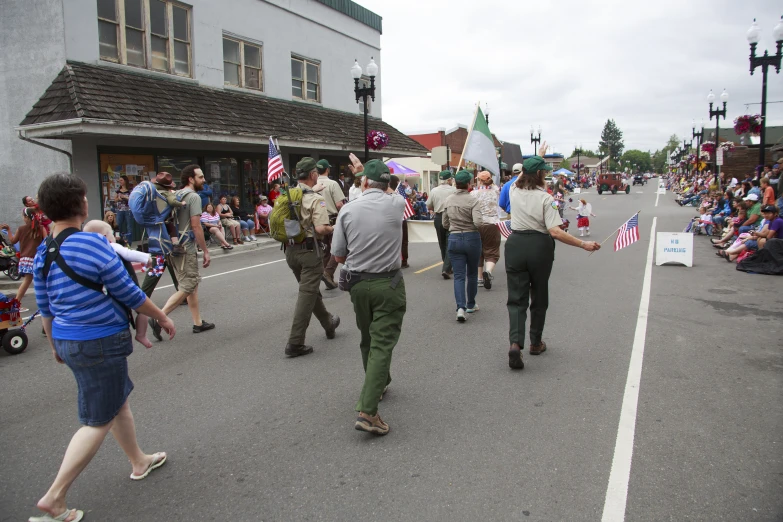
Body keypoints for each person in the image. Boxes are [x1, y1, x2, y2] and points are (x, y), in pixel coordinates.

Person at [29, 173, 175, 522]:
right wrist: (163, 318)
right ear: (81, 203)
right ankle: (55, 497)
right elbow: (129, 293)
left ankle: (138, 460)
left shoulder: (42, 252)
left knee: (115, 402)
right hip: (98, 340)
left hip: (68, 338)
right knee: (98, 419)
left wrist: (54, 345)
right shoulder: (92, 244)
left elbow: (45, 308)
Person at [332, 158, 406, 436]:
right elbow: (391, 192)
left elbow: (338, 254)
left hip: (359, 284)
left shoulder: (348, 210)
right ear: (387, 184)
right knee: (382, 342)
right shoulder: (396, 203)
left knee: (368, 337)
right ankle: (368, 410)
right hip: (388, 283)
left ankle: (380, 381)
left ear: (363, 183)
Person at [505, 156, 600, 371]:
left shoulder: (513, 191)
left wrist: (534, 158)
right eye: (543, 172)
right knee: (539, 295)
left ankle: (515, 343)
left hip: (516, 243)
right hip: (539, 246)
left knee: (516, 299)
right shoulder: (546, 199)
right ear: (539, 175)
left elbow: (521, 176)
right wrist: (582, 244)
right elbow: (555, 231)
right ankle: (535, 342)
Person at [148, 164, 214, 340]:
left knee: (190, 284)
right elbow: (196, 226)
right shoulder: (193, 197)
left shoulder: (175, 194)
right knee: (189, 284)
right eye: (200, 177)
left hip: (172, 246)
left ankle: (198, 322)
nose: (204, 180)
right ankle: (159, 317)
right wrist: (206, 250)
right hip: (186, 247)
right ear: (191, 179)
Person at [282, 157, 340, 357]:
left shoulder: (287, 195)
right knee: (306, 296)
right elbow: (320, 229)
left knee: (310, 291)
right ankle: (295, 342)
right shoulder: (315, 199)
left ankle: (328, 322)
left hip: (290, 251)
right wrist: (333, 226)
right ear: (313, 175)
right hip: (309, 252)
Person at [83, 220, 155, 348]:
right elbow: (128, 253)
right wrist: (147, 258)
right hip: (126, 282)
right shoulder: (111, 246)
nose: (114, 238)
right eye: (112, 235)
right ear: (105, 237)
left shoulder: (88, 252)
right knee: (142, 309)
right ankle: (141, 334)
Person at [443, 170, 482, 322]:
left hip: (454, 236)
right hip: (471, 236)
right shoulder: (473, 200)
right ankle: (471, 303)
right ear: (468, 184)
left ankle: (461, 307)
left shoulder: (449, 200)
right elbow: (478, 222)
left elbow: (445, 223)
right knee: (472, 273)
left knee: (458, 275)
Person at [0, 207, 45, 302]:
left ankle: (17, 302)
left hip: (25, 259)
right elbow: (47, 242)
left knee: (27, 281)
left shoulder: (21, 229)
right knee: (42, 281)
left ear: (26, 217)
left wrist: (8, 230)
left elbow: (12, 240)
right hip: (38, 259)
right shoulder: (41, 228)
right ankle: (44, 302)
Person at [315, 159, 346, 289]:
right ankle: (328, 272)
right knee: (338, 246)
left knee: (325, 250)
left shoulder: (313, 184)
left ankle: (328, 277)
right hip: (331, 219)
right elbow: (339, 204)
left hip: (317, 220)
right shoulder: (333, 184)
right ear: (327, 169)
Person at [471, 170, 500, 289]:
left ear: (479, 180)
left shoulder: (473, 194)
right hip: (492, 223)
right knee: (492, 250)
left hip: (477, 224)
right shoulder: (496, 191)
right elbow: (495, 187)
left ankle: (479, 278)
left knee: (478, 251)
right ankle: (488, 271)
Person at [426, 171, 457, 278]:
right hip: (451, 216)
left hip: (439, 217)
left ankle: (446, 265)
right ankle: (447, 267)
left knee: (442, 243)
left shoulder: (434, 191)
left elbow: (429, 205)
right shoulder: (454, 190)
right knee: (450, 243)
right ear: (449, 180)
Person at [389, 175, 410, 268]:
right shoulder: (398, 194)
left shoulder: (385, 194)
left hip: (390, 219)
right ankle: (404, 260)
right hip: (400, 219)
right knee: (404, 241)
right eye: (398, 183)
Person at [114, 175, 134, 246]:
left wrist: (125, 197)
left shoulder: (130, 190)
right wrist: (118, 199)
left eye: (121, 180)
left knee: (129, 226)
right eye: (119, 181)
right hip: (120, 210)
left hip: (128, 210)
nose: (120, 182)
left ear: (125, 181)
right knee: (118, 225)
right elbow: (115, 200)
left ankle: (129, 242)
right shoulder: (118, 190)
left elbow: (132, 199)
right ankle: (118, 240)